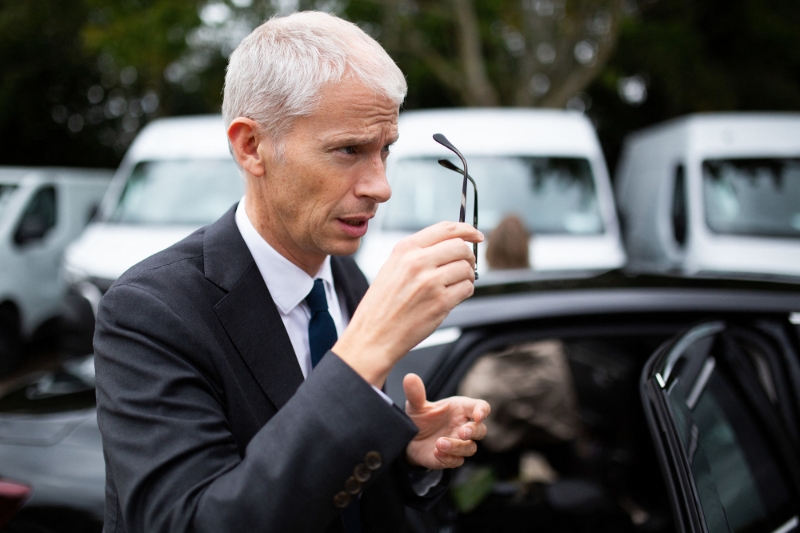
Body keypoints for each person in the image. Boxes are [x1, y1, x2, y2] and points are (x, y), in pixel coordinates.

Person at [93, 11, 489, 533]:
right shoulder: (150, 312)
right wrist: (364, 353)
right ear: (251, 147)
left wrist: (402, 453)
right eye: (348, 150)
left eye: (384, 150)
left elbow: (327, 485)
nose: (381, 186)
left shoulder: (345, 282)